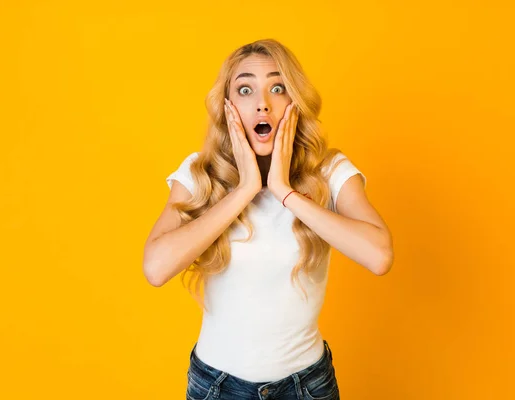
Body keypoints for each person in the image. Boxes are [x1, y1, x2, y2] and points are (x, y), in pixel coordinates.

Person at [143, 39, 393, 400]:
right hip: (217, 386)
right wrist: (245, 189)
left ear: (295, 101)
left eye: (277, 88)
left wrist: (283, 190)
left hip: (306, 387)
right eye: (245, 90)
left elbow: (379, 256)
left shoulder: (330, 171)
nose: (263, 103)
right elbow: (156, 268)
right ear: (228, 108)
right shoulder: (200, 172)